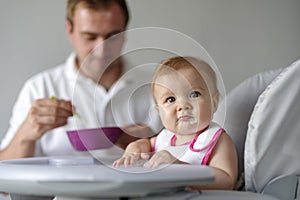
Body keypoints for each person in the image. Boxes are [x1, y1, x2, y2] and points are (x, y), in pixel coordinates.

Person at [0, 0, 162, 160]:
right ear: (69, 30)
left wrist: (155, 143)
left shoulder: (157, 87)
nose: (101, 50)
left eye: (112, 37)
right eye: (90, 37)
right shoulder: (40, 87)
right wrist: (24, 136)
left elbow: (185, 162)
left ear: (125, 32)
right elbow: (4, 170)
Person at [113, 56, 238, 190]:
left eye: (194, 94)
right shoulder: (164, 138)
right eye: (171, 99)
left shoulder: (216, 140)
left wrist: (179, 166)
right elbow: (147, 144)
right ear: (159, 111)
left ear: (214, 102)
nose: (182, 106)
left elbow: (227, 180)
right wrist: (135, 148)